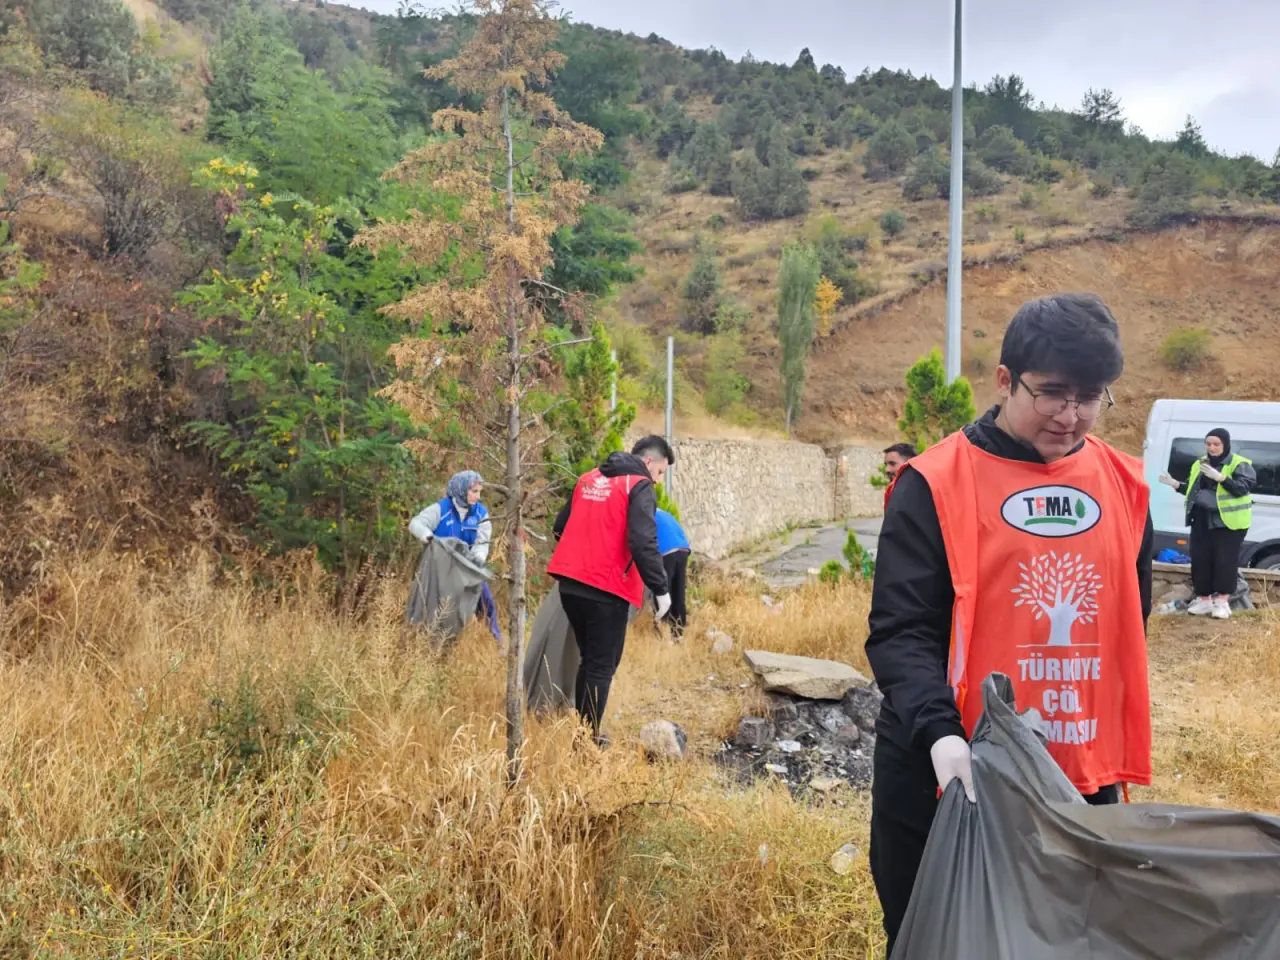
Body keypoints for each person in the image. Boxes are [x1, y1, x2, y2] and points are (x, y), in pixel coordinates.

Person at [865, 293, 1154, 957]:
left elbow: (1126, 618)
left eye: (1090, 397)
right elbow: (901, 631)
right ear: (1004, 380)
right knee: (933, 938)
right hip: (949, 772)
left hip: (1075, 772)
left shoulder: (1124, 485)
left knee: (1066, 939)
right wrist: (940, 733)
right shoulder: (934, 483)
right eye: (1051, 393)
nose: (1070, 415)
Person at [548, 436, 673, 745]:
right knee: (601, 666)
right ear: (647, 462)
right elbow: (642, 541)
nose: (658, 481)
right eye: (660, 472)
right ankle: (585, 743)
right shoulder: (638, 485)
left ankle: (583, 735)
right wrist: (661, 589)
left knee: (590, 661)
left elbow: (559, 527)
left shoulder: (589, 479)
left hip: (570, 585)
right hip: (606, 589)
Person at [1159, 429, 1255, 620]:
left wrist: (1222, 478)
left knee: (1224, 562)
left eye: (1216, 444)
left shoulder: (1239, 464)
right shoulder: (1200, 463)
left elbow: (1243, 488)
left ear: (1225, 444)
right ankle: (1204, 600)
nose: (1212, 448)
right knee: (1200, 561)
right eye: (1208, 444)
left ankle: (1222, 602)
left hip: (1228, 523)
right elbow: (1194, 490)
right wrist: (1175, 484)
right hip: (1201, 520)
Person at [408, 470, 501, 643]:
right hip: (441, 570)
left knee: (485, 602)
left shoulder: (481, 513)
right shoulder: (441, 509)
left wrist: (477, 560)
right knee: (433, 606)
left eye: (480, 492)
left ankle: (496, 643)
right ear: (461, 489)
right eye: (474, 491)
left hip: (468, 568)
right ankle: (424, 642)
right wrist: (428, 537)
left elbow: (482, 542)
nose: (478, 496)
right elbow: (416, 523)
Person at [654, 507, 692, 633]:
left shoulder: (644, 513)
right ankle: (678, 632)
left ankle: (661, 629)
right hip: (683, 549)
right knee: (678, 591)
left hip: (666, 551)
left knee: (663, 590)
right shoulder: (665, 514)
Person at [881, 442, 917, 510]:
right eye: (886, 465)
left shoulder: (922, 494)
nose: (887, 470)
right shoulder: (893, 493)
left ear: (908, 464)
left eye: (892, 464)